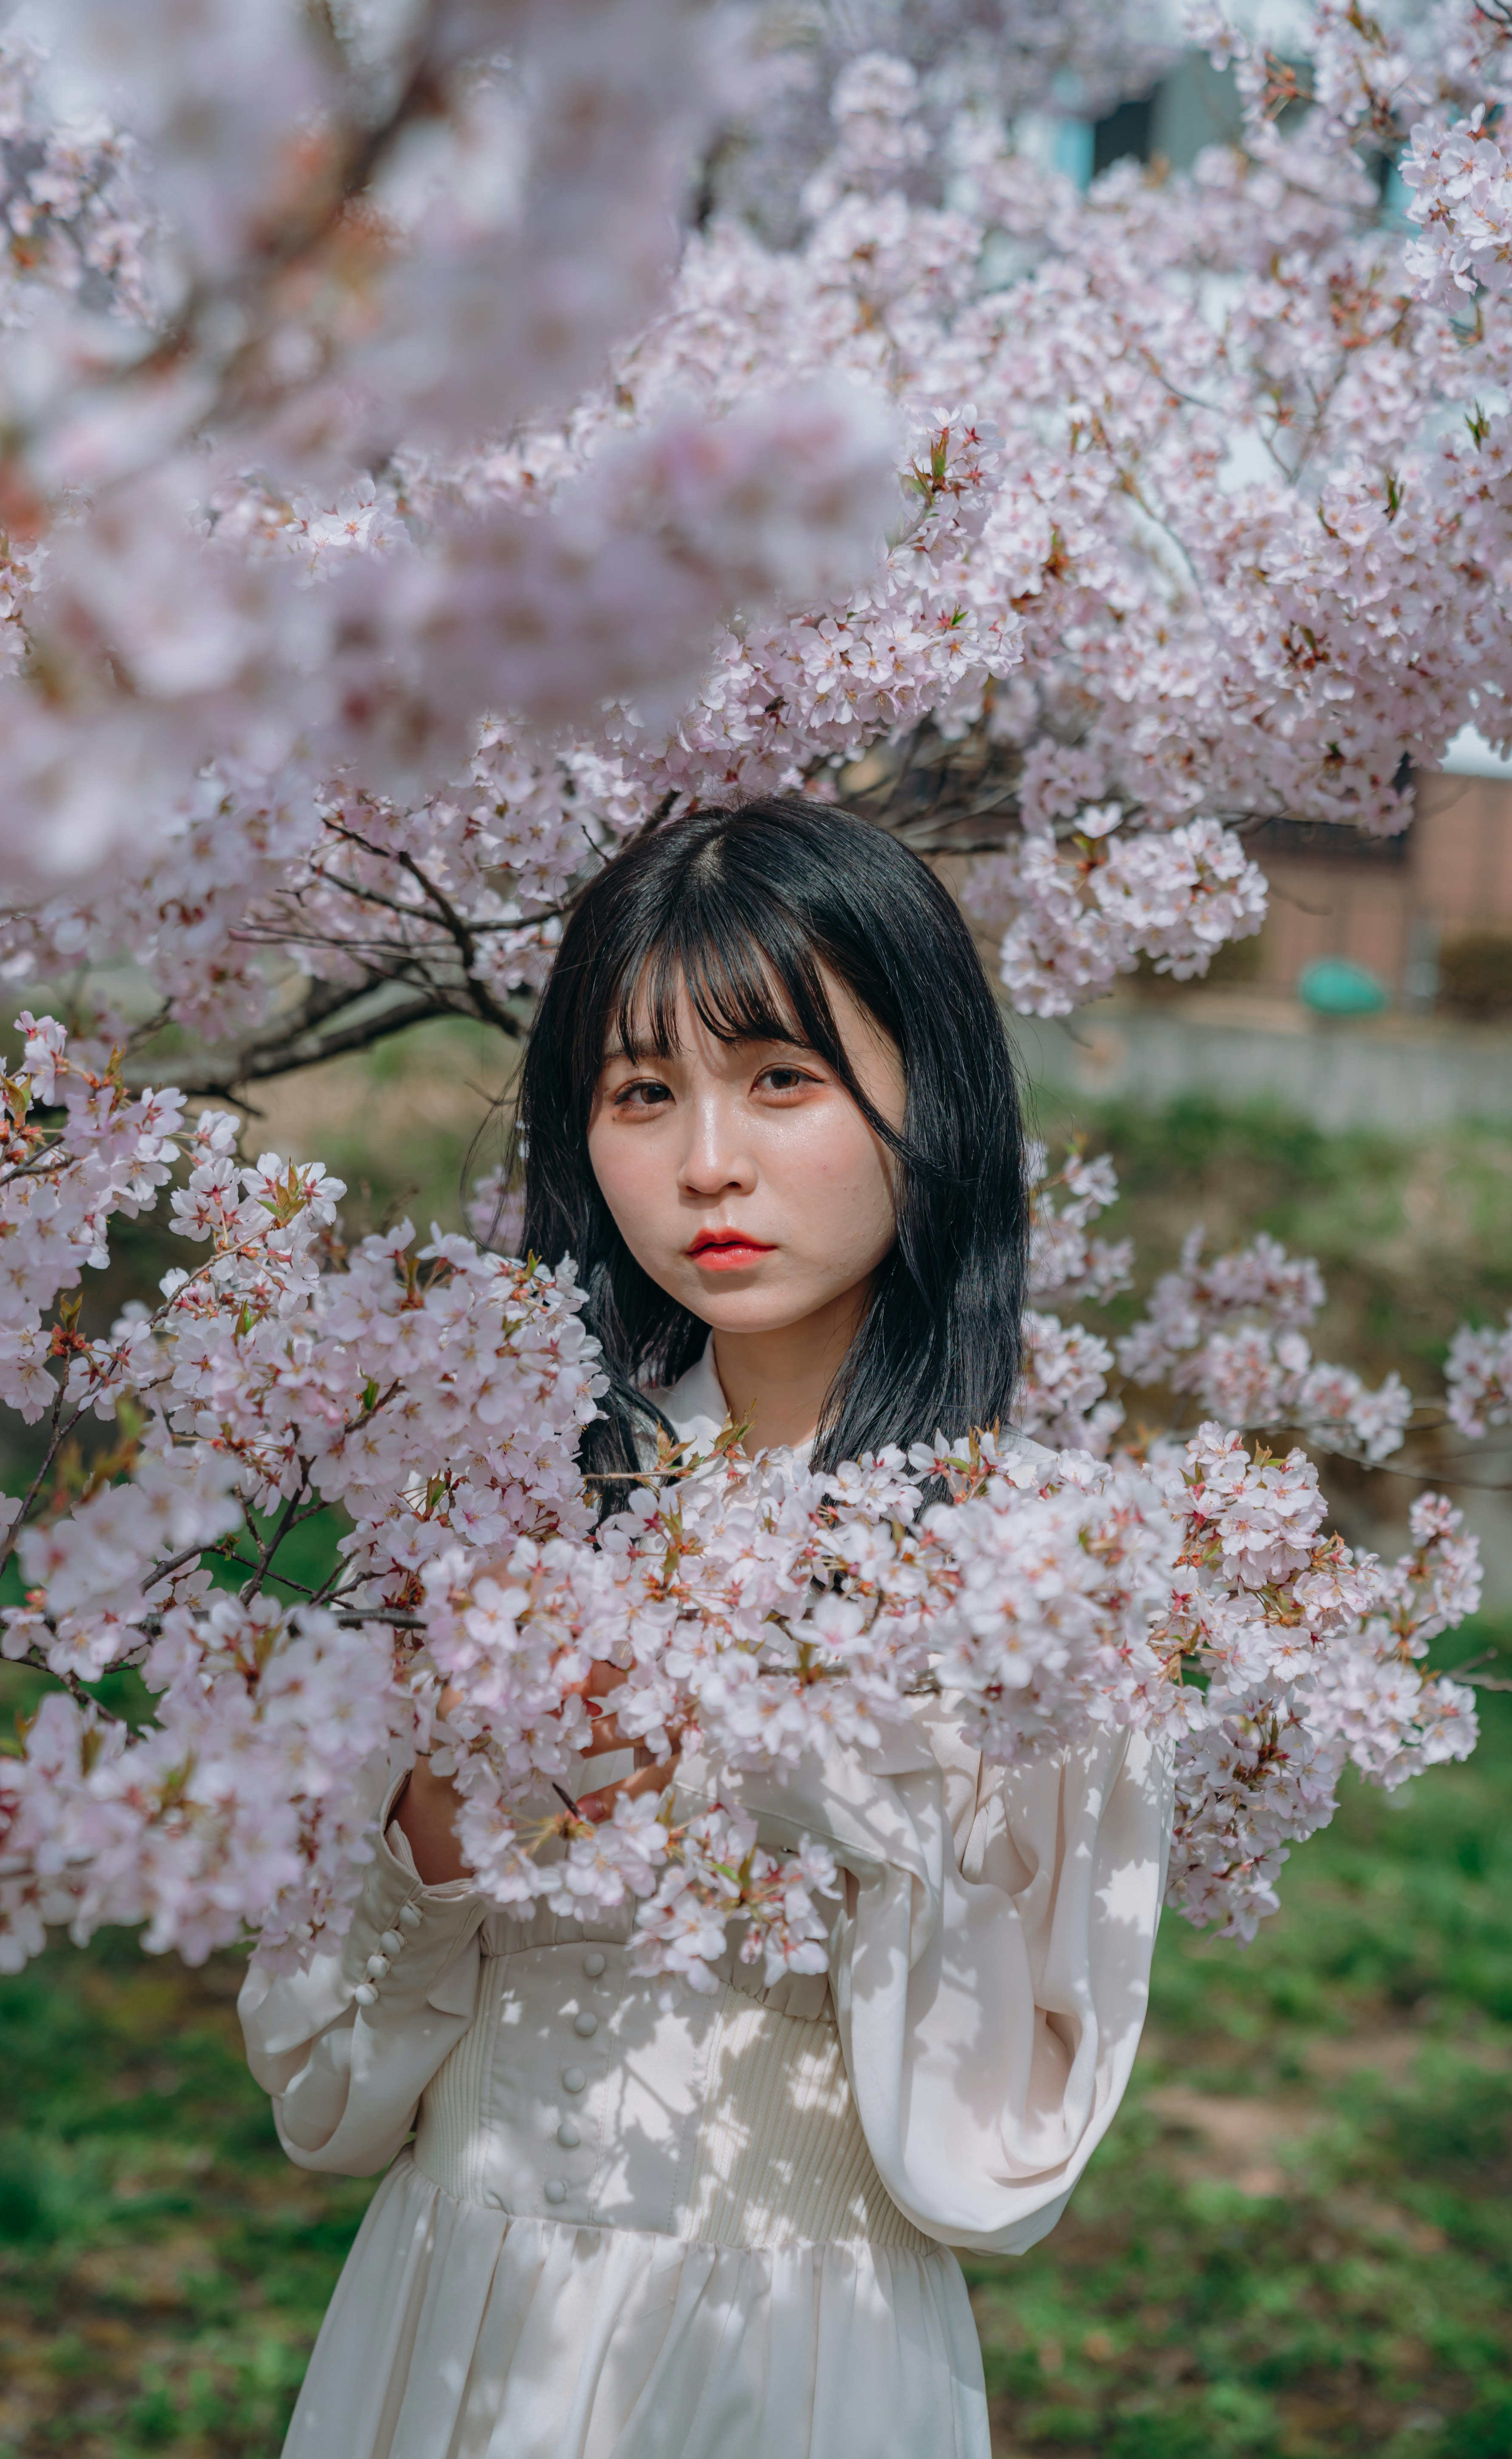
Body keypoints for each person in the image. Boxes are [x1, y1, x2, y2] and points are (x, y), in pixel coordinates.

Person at [239, 797, 1172, 2459]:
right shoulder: (492, 1500)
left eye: (782, 1079)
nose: (706, 1162)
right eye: (642, 1093)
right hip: (455, 2313)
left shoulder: (1048, 1576)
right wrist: (442, 1822)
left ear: (930, 1095)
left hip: (794, 2351)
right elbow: (323, 2095)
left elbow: (1001, 2155)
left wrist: (838, 1798)